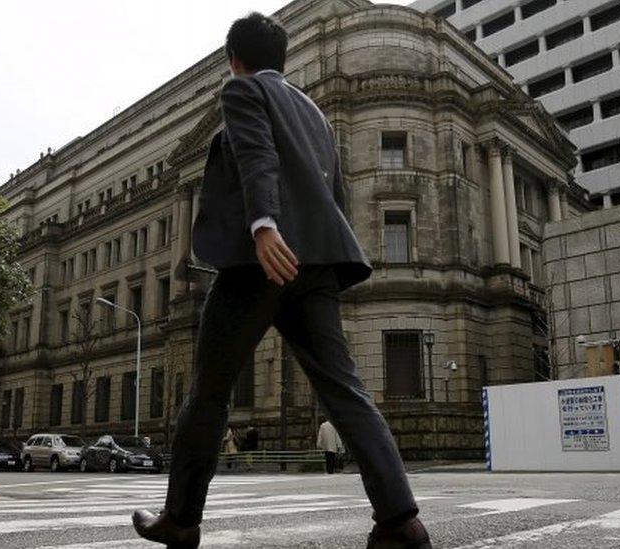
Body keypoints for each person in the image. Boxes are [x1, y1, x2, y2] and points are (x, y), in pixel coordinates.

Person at [132, 12, 430, 549]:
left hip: (259, 263)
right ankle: (400, 521)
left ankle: (180, 519)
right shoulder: (314, 112)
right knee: (346, 392)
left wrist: (265, 227)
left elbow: (256, 157)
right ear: (282, 59)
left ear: (235, 59)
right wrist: (321, 257)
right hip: (315, 266)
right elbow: (332, 196)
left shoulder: (242, 92)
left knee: (207, 392)